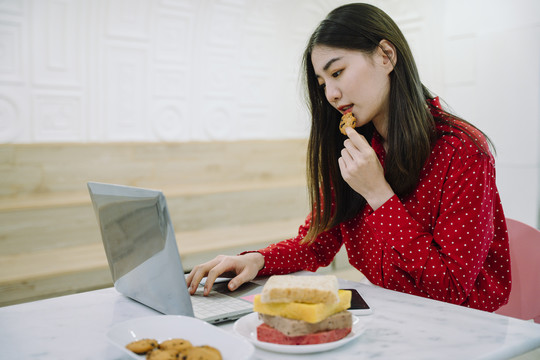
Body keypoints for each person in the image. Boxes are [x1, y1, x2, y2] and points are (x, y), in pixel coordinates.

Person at [186, 3, 511, 312]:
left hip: (461, 328)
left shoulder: (461, 150)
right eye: (322, 82)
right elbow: (317, 242)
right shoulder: (353, 146)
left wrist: (378, 194)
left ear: (386, 56)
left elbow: (450, 289)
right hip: (391, 314)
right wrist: (257, 260)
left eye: (338, 72)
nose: (330, 94)